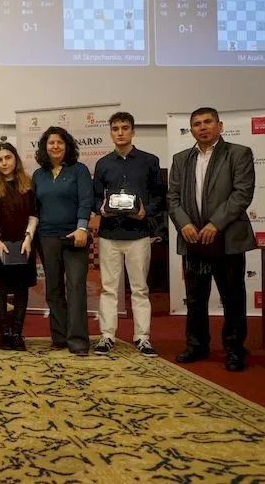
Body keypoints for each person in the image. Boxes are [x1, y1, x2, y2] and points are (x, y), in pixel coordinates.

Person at [168, 107, 256, 372]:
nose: (202, 127)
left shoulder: (239, 153)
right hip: (192, 239)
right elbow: (172, 198)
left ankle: (234, 349)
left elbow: (242, 194)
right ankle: (196, 346)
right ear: (191, 129)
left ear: (220, 125)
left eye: (208, 122)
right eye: (196, 124)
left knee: (232, 296)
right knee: (195, 297)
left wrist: (215, 224)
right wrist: (183, 224)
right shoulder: (181, 158)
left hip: (227, 238)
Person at [92, 112, 165, 357]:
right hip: (109, 235)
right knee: (109, 288)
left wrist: (146, 211)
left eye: (125, 128)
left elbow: (159, 197)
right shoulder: (102, 164)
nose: (120, 132)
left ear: (133, 131)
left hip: (139, 235)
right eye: (115, 128)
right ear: (110, 132)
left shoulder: (150, 161)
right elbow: (94, 198)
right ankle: (107, 336)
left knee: (140, 288)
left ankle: (142, 338)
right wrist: (100, 209)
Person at [32, 126, 92, 356]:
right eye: (50, 143)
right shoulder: (39, 175)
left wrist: (81, 228)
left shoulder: (79, 170)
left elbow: (86, 201)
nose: (55, 146)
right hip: (46, 237)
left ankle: (78, 340)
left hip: (74, 237)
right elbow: (35, 208)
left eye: (59, 143)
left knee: (76, 288)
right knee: (53, 289)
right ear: (44, 148)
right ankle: (59, 337)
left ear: (67, 146)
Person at [0, 142, 38, 351]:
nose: (4, 163)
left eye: (7, 158)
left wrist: (28, 238)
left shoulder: (28, 183)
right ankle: (5, 334)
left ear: (15, 159)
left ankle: (17, 333)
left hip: (24, 244)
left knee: (21, 290)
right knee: (0, 290)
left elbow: (34, 214)